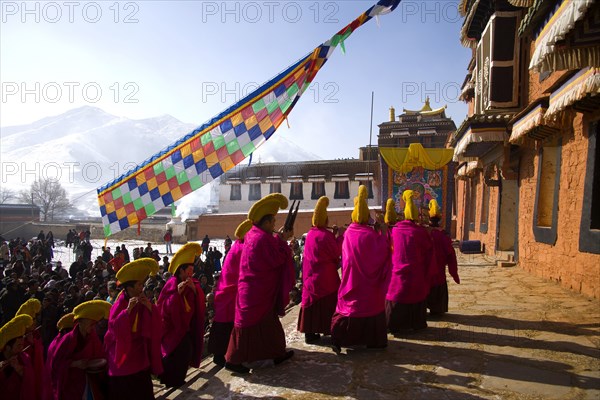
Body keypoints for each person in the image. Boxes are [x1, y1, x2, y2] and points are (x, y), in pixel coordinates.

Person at [225, 193, 296, 374]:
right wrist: (284, 242)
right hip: (257, 293)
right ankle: (236, 359)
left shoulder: (254, 234)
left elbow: (272, 248)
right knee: (255, 327)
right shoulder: (260, 239)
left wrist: (279, 240)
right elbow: (276, 259)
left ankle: (272, 354)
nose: (274, 226)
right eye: (272, 222)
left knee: (268, 327)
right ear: (265, 223)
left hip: (255, 290)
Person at [331, 185, 391, 353]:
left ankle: (339, 337)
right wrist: (383, 234)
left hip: (351, 280)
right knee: (370, 305)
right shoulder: (371, 235)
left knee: (348, 307)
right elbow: (383, 253)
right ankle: (372, 341)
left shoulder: (349, 232)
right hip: (369, 286)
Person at [104, 258, 163, 400]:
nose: (141, 288)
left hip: (139, 355)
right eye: (139, 285)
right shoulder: (119, 305)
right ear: (129, 288)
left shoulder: (142, 301)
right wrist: (127, 312)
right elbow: (114, 331)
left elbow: (156, 324)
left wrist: (150, 308)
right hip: (123, 355)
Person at [156, 243, 205, 388]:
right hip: (172, 329)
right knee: (175, 354)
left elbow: (199, 301)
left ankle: (179, 379)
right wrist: (177, 294)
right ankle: (171, 381)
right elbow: (164, 308)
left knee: (186, 352)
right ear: (181, 271)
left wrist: (195, 291)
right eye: (189, 270)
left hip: (186, 328)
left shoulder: (192, 283)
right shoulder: (171, 284)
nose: (191, 274)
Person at [386, 191, 433, 333]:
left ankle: (394, 324)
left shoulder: (395, 231)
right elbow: (428, 252)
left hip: (398, 276)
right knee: (416, 293)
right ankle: (416, 323)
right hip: (417, 275)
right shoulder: (421, 232)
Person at [297, 196, 343, 344]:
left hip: (311, 276)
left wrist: (333, 235)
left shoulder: (310, 234)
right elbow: (336, 252)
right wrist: (339, 237)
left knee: (312, 304)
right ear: (325, 221)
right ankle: (328, 329)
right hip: (326, 277)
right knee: (327, 304)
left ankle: (310, 334)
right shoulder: (325, 235)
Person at [208, 220, 252, 366]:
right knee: (227, 326)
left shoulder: (237, 246)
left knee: (223, 325)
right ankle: (225, 356)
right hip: (231, 293)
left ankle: (221, 355)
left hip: (226, 292)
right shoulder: (242, 249)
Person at [47, 300, 111, 400]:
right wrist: (75, 363)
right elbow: (56, 364)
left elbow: (100, 355)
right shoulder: (67, 339)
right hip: (71, 384)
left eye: (94, 324)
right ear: (80, 322)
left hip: (89, 382)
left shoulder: (93, 337)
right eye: (91, 324)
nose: (93, 327)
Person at [427, 200, 460, 315]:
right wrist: (454, 273)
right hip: (439, 271)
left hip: (426, 271)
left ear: (429, 219)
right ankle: (437, 309)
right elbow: (451, 254)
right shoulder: (443, 235)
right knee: (438, 286)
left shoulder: (425, 233)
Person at [0, 314, 36, 400]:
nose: (22, 348)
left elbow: (31, 381)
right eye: (19, 345)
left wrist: (19, 368)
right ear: (7, 347)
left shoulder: (24, 357)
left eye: (22, 345)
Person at [16, 298, 45, 400]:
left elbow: (41, 349)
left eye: (35, 320)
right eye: (33, 321)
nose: (35, 323)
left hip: (35, 370)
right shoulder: (17, 336)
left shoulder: (35, 334)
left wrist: (34, 343)